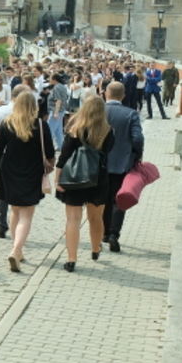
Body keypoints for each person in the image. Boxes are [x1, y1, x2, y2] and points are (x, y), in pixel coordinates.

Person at [0, 89, 55, 273]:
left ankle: (19, 249)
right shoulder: (41, 125)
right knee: (26, 215)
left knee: (15, 211)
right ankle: (16, 250)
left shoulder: (7, 124)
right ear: (34, 106)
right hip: (32, 173)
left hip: (9, 172)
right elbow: (50, 153)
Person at [54, 97, 115, 272]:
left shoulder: (75, 129)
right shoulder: (108, 131)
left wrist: (57, 179)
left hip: (74, 178)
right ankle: (96, 249)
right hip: (98, 179)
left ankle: (71, 259)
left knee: (73, 219)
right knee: (96, 218)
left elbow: (63, 157)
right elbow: (107, 153)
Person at [102, 81, 145, 253]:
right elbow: (138, 138)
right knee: (118, 199)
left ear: (106, 93)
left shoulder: (97, 111)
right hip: (122, 163)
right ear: (124, 96)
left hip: (99, 164)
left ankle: (103, 232)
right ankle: (114, 234)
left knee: (102, 199)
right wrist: (137, 155)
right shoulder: (131, 114)